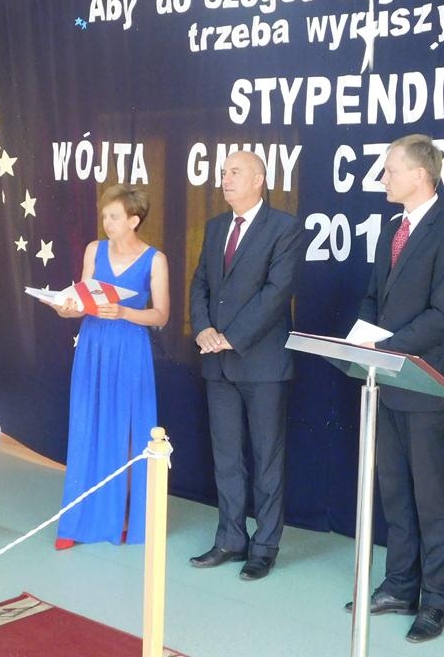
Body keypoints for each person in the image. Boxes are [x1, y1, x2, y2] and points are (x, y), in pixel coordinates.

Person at [350, 133, 444, 643]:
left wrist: (388, 346)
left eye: (390, 170)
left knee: (430, 497)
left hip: (427, 383)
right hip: (385, 379)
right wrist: (361, 341)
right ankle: (400, 586)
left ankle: (436, 601)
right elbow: (373, 297)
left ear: (420, 175)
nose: (383, 178)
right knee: (395, 491)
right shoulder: (392, 228)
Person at [188, 150, 305, 581]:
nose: (226, 179)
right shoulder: (216, 226)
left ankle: (265, 546)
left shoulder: (284, 227)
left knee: (267, 458)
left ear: (259, 179)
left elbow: (277, 293)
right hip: (217, 362)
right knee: (227, 458)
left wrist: (231, 337)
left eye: (235, 172)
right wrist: (203, 328)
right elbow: (201, 283)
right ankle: (230, 539)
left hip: (263, 364)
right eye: (223, 172)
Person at [46, 184, 169, 548]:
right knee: (87, 424)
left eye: (114, 217)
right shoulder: (94, 250)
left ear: (134, 220)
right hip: (93, 345)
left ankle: (123, 518)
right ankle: (77, 522)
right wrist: (66, 308)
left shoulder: (155, 259)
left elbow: (161, 315)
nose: (107, 223)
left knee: (128, 432)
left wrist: (125, 312)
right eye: (105, 216)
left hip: (130, 348)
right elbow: (82, 301)